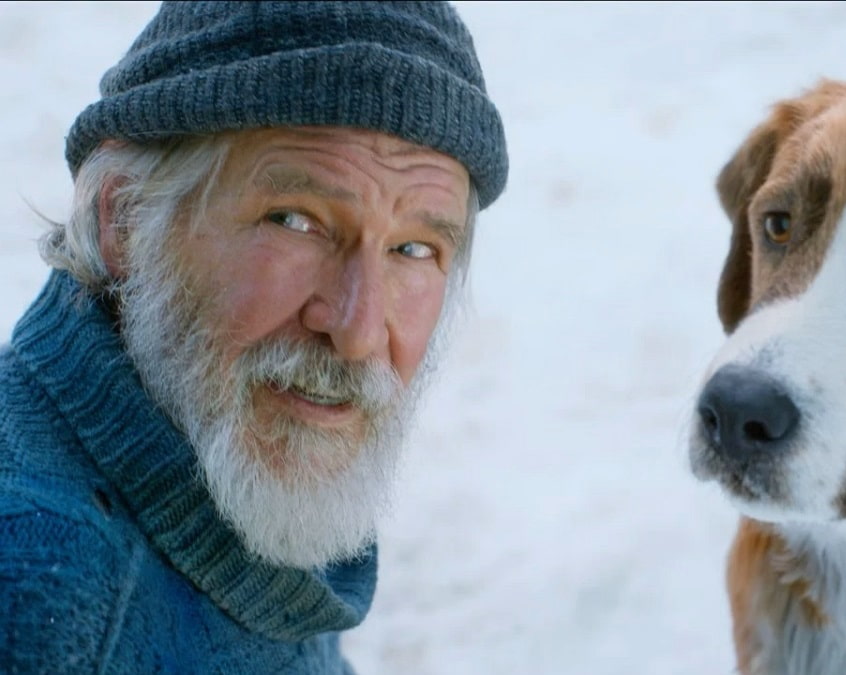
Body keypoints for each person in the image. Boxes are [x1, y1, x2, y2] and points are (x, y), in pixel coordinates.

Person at [0, 2, 507, 672]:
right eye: (295, 220)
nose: (356, 332)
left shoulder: (239, 481)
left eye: (413, 248)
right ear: (125, 218)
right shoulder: (42, 591)